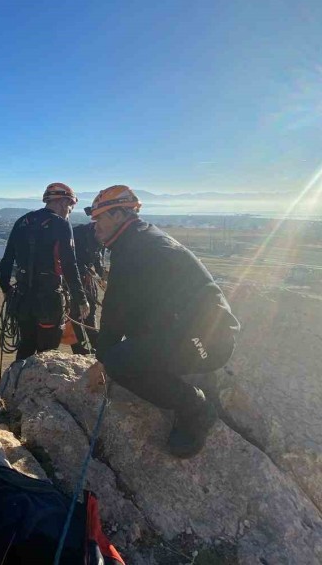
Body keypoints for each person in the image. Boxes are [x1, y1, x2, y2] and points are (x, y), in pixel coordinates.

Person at [81, 186, 240, 459]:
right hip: (192, 330)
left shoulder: (137, 248)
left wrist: (104, 359)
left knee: (120, 362)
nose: (95, 225)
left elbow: (115, 309)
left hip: (208, 341)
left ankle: (196, 408)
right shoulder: (138, 240)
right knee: (126, 351)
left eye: (100, 218)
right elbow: (127, 307)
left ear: (119, 215)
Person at [0, 183, 90, 359]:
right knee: (47, 352)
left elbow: (7, 259)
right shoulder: (61, 224)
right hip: (49, 299)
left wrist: (6, 289)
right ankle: (39, 384)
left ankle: (18, 383)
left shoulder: (23, 221)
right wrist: (81, 299)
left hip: (22, 298)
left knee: (26, 346)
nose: (69, 211)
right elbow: (69, 264)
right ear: (64, 202)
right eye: (70, 206)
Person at [68, 222, 106, 355]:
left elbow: (98, 258)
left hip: (87, 281)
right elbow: (70, 262)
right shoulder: (78, 234)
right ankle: (80, 349)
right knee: (75, 314)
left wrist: (102, 277)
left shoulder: (102, 236)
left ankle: (96, 345)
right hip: (72, 282)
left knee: (90, 313)